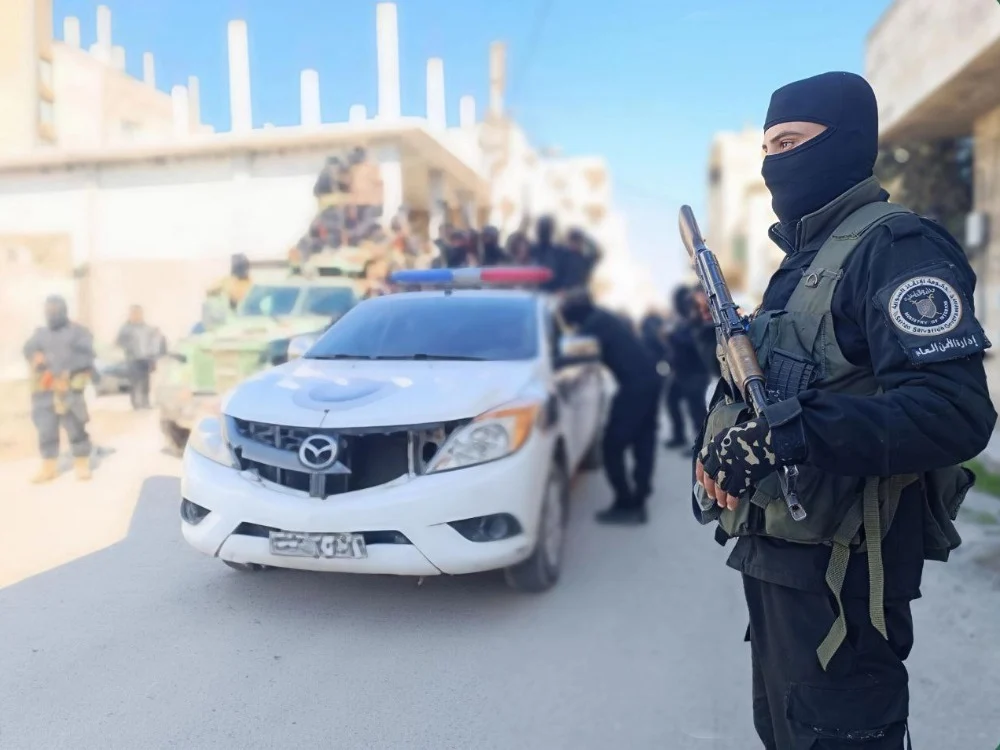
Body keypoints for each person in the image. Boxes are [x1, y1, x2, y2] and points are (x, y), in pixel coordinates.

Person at [693, 71, 996, 749]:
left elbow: (953, 411)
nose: (775, 161)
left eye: (791, 141)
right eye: (768, 146)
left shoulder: (896, 248)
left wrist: (784, 436)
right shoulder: (804, 260)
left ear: (849, 141)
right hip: (780, 562)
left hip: (847, 576)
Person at [560, 290, 662, 525]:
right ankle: (640, 498)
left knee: (611, 447)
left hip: (635, 387)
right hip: (650, 380)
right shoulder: (603, 317)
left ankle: (625, 503)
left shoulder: (593, 325)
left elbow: (569, 357)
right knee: (643, 440)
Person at [23, 295, 96, 483]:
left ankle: (81, 464)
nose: (51, 313)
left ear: (63, 310)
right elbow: (28, 348)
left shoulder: (79, 332)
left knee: (75, 427)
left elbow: (87, 356)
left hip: (69, 388)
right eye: (48, 310)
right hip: (45, 389)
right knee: (45, 429)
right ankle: (49, 468)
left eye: (55, 310)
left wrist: (68, 371)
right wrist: (35, 355)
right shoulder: (40, 333)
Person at [663, 286, 711, 452]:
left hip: (695, 373)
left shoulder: (698, 316)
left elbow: (693, 341)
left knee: (696, 411)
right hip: (681, 372)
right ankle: (680, 436)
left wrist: (672, 337)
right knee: (672, 401)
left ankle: (702, 447)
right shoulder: (683, 319)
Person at [115, 305, 166, 410]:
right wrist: (129, 346)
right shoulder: (125, 329)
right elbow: (119, 342)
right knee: (135, 382)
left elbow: (154, 342)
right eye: (134, 313)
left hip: (146, 359)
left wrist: (154, 356)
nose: (136, 315)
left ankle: (145, 402)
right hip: (132, 359)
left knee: (145, 382)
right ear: (130, 315)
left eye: (138, 313)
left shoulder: (147, 328)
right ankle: (136, 404)